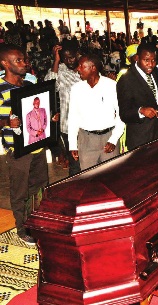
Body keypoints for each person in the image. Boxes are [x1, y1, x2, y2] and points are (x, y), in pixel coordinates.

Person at [0, 44, 48, 245]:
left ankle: (38, 220)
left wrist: (50, 118)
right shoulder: (1, 89)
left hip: (37, 145)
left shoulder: (29, 84)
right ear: (5, 64)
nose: (23, 63)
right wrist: (6, 123)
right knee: (19, 191)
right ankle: (22, 228)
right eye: (17, 61)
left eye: (23, 59)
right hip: (18, 150)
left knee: (40, 186)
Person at [68, 54, 125, 170]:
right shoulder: (76, 89)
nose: (78, 69)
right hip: (86, 140)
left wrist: (114, 139)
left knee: (111, 177)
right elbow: (73, 117)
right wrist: (72, 144)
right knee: (89, 178)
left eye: (81, 66)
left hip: (109, 138)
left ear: (93, 68)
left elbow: (121, 115)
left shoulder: (112, 86)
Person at [117, 43, 158, 151]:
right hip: (139, 138)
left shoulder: (154, 72)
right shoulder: (126, 79)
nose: (151, 64)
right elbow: (124, 114)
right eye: (146, 60)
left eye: (153, 60)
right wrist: (140, 111)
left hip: (157, 133)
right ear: (137, 58)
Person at [44, 43, 82, 175]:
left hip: (87, 124)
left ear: (78, 54)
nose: (68, 61)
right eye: (64, 58)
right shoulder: (60, 70)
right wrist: (56, 61)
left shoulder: (87, 67)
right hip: (68, 125)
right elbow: (49, 84)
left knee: (88, 161)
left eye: (71, 57)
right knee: (75, 163)